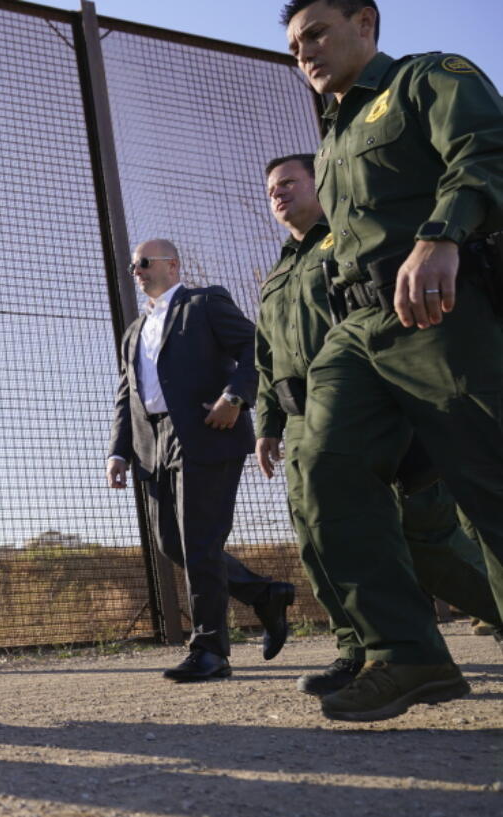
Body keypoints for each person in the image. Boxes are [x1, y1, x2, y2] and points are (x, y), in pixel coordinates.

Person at [282, 0, 503, 721]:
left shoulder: (424, 80)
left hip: (440, 308)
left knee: (488, 479)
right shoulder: (332, 134)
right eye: (294, 45)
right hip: (360, 328)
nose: (305, 52)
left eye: (316, 32)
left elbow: (486, 147)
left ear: (365, 23)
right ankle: (405, 652)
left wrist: (443, 234)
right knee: (324, 462)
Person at [254, 154, 503, 697]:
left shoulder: (345, 245)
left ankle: (494, 610)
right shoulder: (274, 275)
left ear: (320, 185)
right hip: (302, 418)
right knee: (321, 539)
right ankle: (360, 649)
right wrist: (267, 423)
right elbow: (265, 358)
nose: (278, 194)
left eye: (289, 183)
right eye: (271, 189)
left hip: (373, 405)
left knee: (426, 539)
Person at [108, 239, 295, 682]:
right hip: (151, 443)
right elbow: (125, 393)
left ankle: (211, 649)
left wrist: (235, 397)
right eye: (134, 264)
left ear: (172, 266)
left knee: (199, 542)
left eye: (145, 262)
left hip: (207, 431)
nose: (137, 270)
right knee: (173, 544)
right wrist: (119, 449)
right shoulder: (134, 331)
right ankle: (266, 594)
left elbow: (256, 346)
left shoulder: (204, 301)